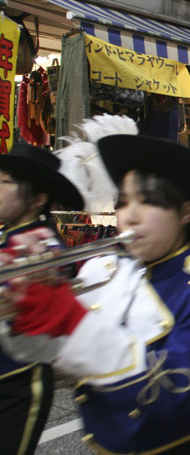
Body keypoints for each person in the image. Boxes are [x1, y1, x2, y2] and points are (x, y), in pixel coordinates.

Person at [0, 135, 190, 454]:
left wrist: (71, 320)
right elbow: (52, 355)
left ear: (186, 212)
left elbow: (173, 390)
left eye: (148, 201)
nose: (129, 216)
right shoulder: (101, 271)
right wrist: (21, 311)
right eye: (123, 202)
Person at [0, 143, 84, 455]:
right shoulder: (7, 236)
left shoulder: (44, 249)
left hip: (18, 384)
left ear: (37, 199)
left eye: (5, 182)